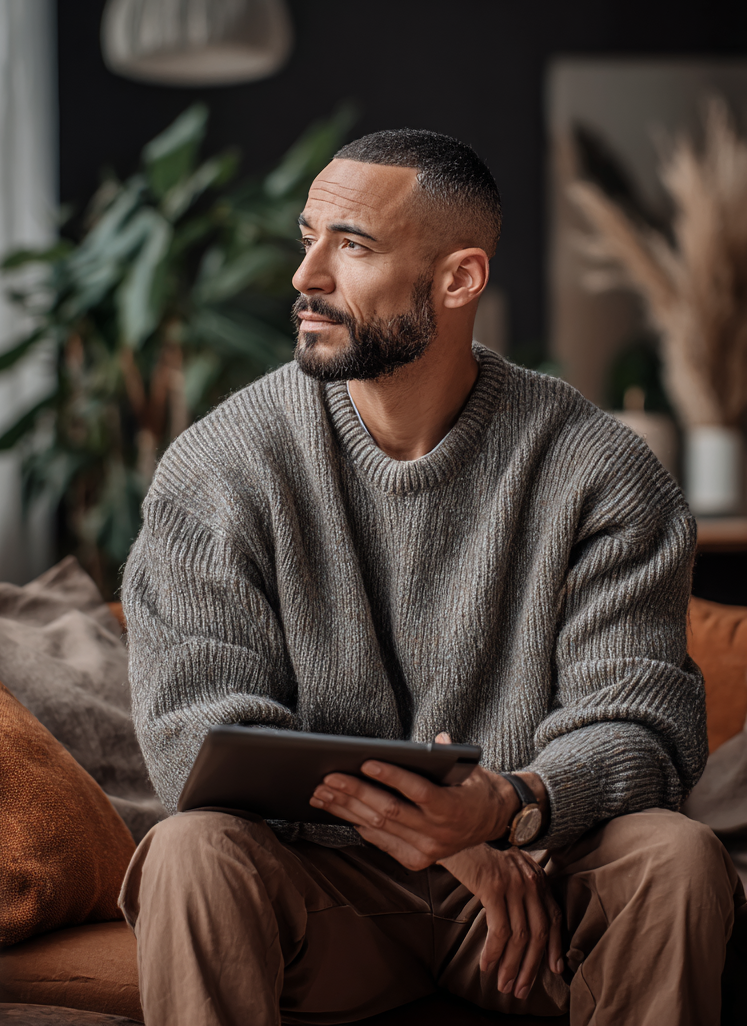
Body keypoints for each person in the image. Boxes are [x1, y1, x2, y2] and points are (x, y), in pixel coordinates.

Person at [119, 130, 742, 1026]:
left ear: (459, 280)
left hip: (541, 888)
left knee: (675, 857)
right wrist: (454, 848)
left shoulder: (603, 472)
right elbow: (200, 739)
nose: (306, 277)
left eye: (354, 246)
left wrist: (512, 811)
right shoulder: (218, 468)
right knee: (191, 850)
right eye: (309, 236)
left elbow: (641, 732)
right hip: (329, 897)